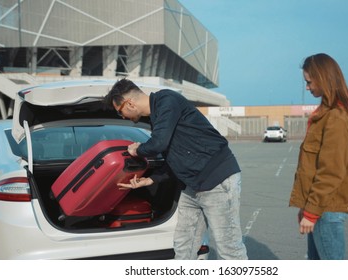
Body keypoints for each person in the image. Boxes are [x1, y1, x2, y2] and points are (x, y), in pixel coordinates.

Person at [103, 78, 248, 260]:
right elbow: (174, 154)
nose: (122, 116)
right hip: (192, 185)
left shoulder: (167, 100)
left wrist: (137, 149)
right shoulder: (157, 116)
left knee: (229, 249)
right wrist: (152, 179)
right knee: (184, 245)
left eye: (120, 111)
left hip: (217, 180)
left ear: (129, 103)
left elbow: (159, 143)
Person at [289, 53, 348, 260]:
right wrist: (306, 207)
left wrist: (311, 212)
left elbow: (331, 172)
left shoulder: (336, 118)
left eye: (309, 82)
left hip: (326, 210)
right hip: (320, 208)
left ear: (323, 78)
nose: (307, 87)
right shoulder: (326, 114)